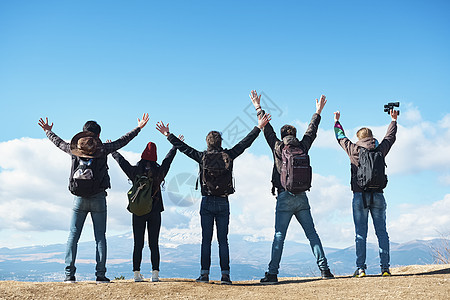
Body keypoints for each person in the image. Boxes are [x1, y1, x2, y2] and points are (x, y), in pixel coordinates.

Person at [155, 112, 271, 285]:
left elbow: (184, 148)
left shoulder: (202, 157)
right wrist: (259, 127)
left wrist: (168, 135)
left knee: (206, 240)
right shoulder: (229, 156)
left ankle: (204, 274)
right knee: (223, 240)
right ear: (220, 143)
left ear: (207, 143)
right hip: (224, 201)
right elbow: (244, 143)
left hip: (207, 201)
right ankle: (225, 276)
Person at [38, 114, 149, 283]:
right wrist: (139, 128)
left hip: (79, 198)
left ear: (83, 134)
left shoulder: (74, 149)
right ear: (98, 135)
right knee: (100, 236)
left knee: (73, 235)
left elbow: (58, 142)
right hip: (98, 198)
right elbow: (123, 141)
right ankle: (100, 274)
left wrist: (48, 131)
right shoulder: (102, 149)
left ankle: (69, 275)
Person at [249, 90, 334, 284]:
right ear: (294, 135)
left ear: (282, 135)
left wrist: (257, 106)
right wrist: (318, 111)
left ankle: (272, 274)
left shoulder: (277, 146)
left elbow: (266, 128)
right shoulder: (303, 146)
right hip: (302, 196)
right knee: (312, 234)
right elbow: (312, 130)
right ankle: (325, 270)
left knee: (279, 236)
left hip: (284, 196)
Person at [333, 109, 398, 277]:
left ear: (359, 138)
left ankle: (361, 269)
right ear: (371, 137)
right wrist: (393, 120)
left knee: (360, 234)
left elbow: (340, 137)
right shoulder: (380, 149)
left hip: (359, 196)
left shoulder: (354, 149)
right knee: (382, 232)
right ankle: (385, 268)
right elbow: (390, 137)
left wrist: (337, 121)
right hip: (378, 195)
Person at [110, 136, 183, 282]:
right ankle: (155, 274)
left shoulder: (135, 170)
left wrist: (113, 151)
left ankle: (136, 274)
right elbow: (168, 161)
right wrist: (175, 146)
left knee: (138, 243)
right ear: (155, 157)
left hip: (138, 211)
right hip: (155, 211)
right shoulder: (159, 171)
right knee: (153, 243)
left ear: (143, 155)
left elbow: (122, 162)